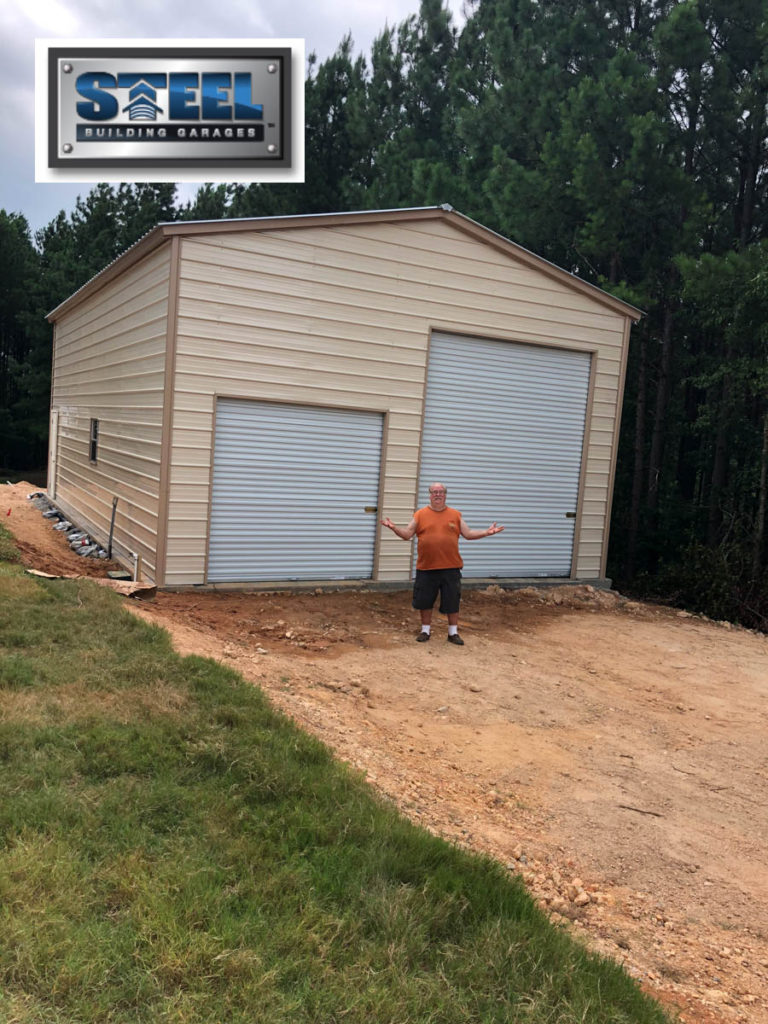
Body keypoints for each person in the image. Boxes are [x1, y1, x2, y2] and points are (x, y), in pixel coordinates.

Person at [380, 482, 504, 645]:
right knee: (425, 600)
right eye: (434, 492)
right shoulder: (420, 515)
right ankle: (425, 630)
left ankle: (453, 633)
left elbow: (468, 533)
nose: (437, 494)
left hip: (450, 567)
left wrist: (486, 533)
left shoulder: (455, 515)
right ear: (430, 495)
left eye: (441, 492)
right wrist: (394, 528)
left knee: (452, 600)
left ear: (445, 495)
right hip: (426, 567)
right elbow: (407, 534)